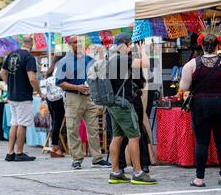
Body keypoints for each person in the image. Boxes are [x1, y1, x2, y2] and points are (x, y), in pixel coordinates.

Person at [179, 33, 221, 187]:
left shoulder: (191, 65)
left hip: (200, 106)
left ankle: (199, 179)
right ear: (218, 46)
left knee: (202, 142)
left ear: (201, 46)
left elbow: (183, 88)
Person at [107, 33, 157, 185]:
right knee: (134, 136)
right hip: (124, 104)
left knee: (117, 137)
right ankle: (138, 172)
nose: (130, 48)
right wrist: (142, 50)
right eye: (129, 45)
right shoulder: (123, 59)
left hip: (113, 104)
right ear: (124, 44)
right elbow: (147, 64)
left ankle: (115, 172)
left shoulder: (110, 59)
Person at [56, 36, 111, 169]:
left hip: (89, 97)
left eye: (80, 42)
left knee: (93, 129)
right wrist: (78, 87)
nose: (78, 44)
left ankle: (97, 158)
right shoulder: (64, 61)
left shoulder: (88, 59)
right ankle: (76, 159)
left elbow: (99, 71)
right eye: (75, 42)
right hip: (73, 98)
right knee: (73, 128)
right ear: (69, 45)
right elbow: (59, 82)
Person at [0, 36, 46, 162]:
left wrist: (10, 84)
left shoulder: (11, 55)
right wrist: (40, 93)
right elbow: (32, 78)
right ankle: (19, 152)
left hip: (12, 95)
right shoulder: (29, 57)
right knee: (22, 124)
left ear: (22, 43)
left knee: (14, 123)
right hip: (23, 96)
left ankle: (10, 153)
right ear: (31, 45)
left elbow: (2, 73)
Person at [46, 55, 66, 158]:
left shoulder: (51, 68)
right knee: (57, 123)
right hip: (59, 98)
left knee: (55, 122)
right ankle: (55, 147)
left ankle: (54, 146)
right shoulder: (61, 67)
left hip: (50, 98)